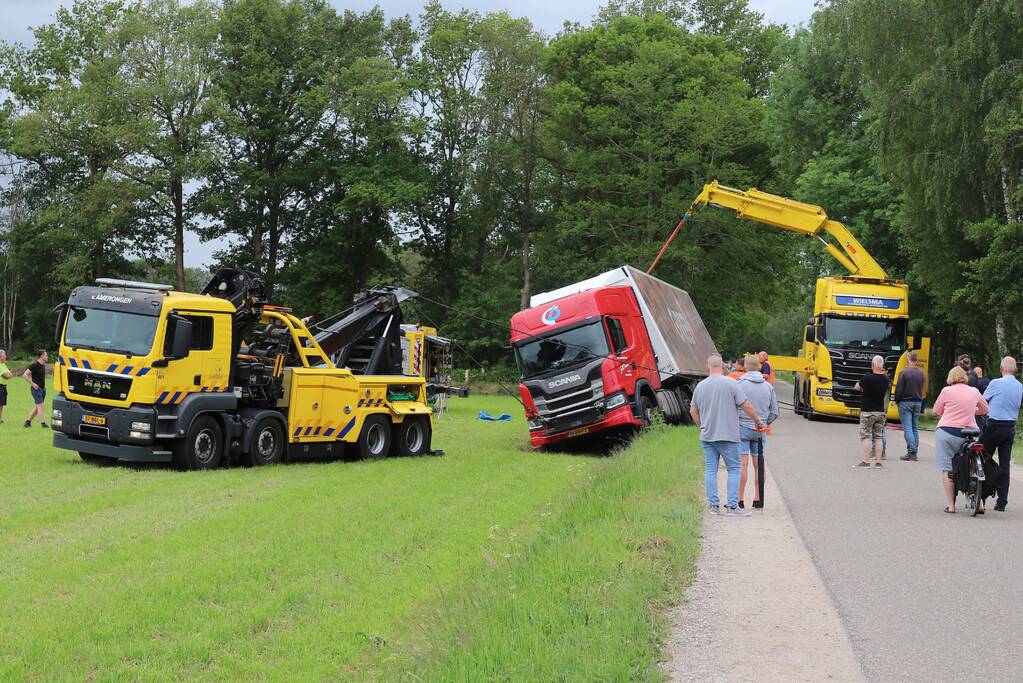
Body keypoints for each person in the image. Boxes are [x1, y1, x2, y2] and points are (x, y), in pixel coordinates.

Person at [690, 354, 763, 517]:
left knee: (710, 470)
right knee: (734, 469)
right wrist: (757, 420)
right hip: (728, 435)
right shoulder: (731, 383)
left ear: (707, 366)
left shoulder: (700, 386)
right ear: (722, 366)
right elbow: (746, 405)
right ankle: (732, 507)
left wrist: (701, 426)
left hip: (708, 435)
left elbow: (693, 410)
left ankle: (713, 506)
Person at [933, 366, 989, 513]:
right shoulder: (974, 391)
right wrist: (972, 409)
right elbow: (985, 410)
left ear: (951, 379)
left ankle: (951, 506)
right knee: (972, 464)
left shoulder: (946, 391)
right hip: (968, 434)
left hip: (947, 432)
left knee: (947, 468)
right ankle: (981, 503)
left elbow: (936, 410)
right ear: (965, 378)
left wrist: (949, 409)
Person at [737, 354, 779, 509]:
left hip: (742, 428)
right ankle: (758, 499)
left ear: (745, 367)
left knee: (742, 464)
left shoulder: (740, 384)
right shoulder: (768, 386)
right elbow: (775, 412)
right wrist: (763, 423)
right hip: (760, 431)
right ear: (760, 367)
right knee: (759, 465)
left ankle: (739, 499)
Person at [982, 357, 1021, 512]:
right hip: (1010, 427)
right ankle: (1002, 501)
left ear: (1001, 368)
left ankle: (981, 496)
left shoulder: (996, 383)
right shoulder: (1020, 386)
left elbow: (982, 401)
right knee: (1005, 464)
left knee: (985, 460)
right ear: (1015, 369)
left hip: (994, 425)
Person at [853, 355, 890, 468]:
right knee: (878, 437)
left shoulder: (867, 378)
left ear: (872, 365)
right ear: (882, 366)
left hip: (867, 412)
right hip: (880, 412)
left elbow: (857, 387)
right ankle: (878, 462)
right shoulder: (886, 380)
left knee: (866, 437)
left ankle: (866, 461)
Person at [894, 351, 926, 461]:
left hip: (905, 402)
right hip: (918, 402)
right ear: (916, 360)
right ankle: (914, 451)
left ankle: (911, 452)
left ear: (908, 360)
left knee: (907, 428)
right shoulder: (922, 373)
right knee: (915, 428)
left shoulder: (904, 373)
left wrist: (897, 401)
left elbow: (899, 390)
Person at [22, 349, 48, 428]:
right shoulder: (34, 365)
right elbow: (25, 375)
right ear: (42, 356)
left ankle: (27, 422)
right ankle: (43, 424)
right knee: (40, 406)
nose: (47, 357)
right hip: (36, 390)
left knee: (37, 407)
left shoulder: (43, 365)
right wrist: (33, 384)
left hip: (43, 389)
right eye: (46, 355)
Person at [0, 349, 11, 423]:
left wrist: (7, 375)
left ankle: (0, 418)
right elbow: (6, 375)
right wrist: (7, 375)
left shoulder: (3, 364)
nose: (6, 357)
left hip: (3, 386)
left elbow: (10, 375)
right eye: (4, 356)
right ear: (1, 356)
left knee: (1, 404)